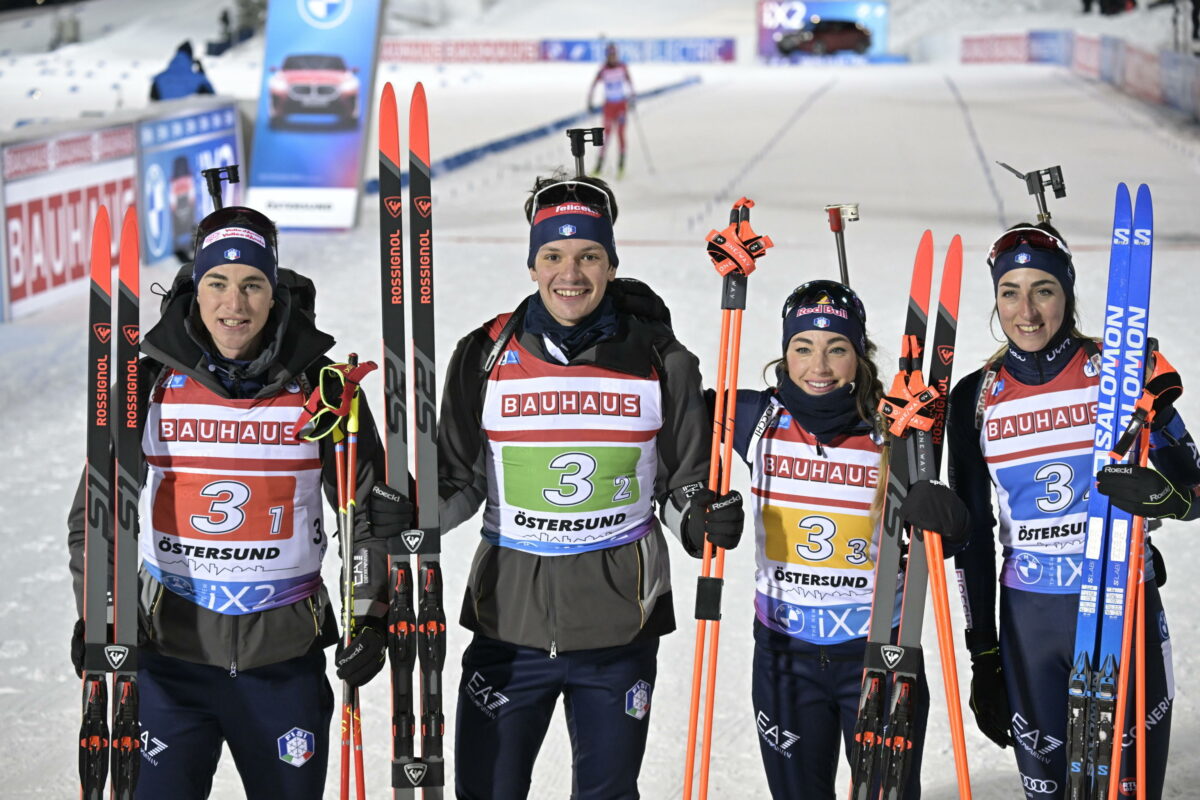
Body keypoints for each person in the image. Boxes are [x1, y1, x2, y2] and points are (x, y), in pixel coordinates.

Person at [67, 204, 399, 799]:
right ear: (196, 291)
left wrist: (371, 614)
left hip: (284, 664)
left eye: (253, 285)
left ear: (276, 294)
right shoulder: (150, 387)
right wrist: (98, 611)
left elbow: (368, 513)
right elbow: (92, 517)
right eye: (217, 284)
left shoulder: (323, 390)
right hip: (170, 665)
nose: (234, 305)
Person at [438, 172, 744, 800]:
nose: (569, 273)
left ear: (610, 264)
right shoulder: (484, 353)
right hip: (507, 629)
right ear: (532, 264)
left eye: (588, 256)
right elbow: (459, 480)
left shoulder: (664, 360)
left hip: (619, 632)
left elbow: (681, 484)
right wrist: (409, 517)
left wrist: (703, 518)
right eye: (552, 255)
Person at [948, 221, 1200, 799]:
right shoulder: (975, 398)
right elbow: (973, 537)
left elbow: (1195, 488)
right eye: (1010, 291)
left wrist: (1168, 496)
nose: (1027, 310)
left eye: (1044, 289)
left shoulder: (1121, 371)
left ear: (1068, 292)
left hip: (1122, 606)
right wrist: (983, 654)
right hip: (1030, 623)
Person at [726, 279, 969, 799]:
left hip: (880, 652)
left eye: (837, 349)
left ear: (859, 355)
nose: (819, 366)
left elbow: (937, 539)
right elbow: (668, 415)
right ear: (784, 351)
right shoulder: (755, 418)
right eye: (803, 348)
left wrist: (951, 522)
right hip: (784, 654)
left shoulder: (896, 429)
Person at [586, 44, 635, 179]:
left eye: (615, 55)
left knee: (620, 134)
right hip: (609, 106)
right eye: (611, 55)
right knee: (606, 137)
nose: (613, 57)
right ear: (607, 55)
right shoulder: (603, 70)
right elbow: (593, 85)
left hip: (621, 106)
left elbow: (630, 83)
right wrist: (589, 101)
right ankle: (598, 167)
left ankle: (621, 167)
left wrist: (632, 98)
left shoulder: (622, 67)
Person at [150, 40, 215, 101]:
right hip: (191, 112)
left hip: (166, 112)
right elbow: (212, 100)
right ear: (191, 57)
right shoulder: (198, 79)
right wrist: (202, 75)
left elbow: (153, 102)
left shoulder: (159, 78)